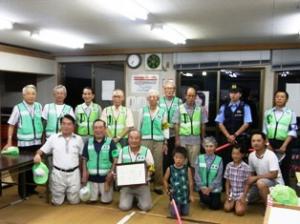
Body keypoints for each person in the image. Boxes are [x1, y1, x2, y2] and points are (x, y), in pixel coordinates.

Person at [33, 115, 84, 205]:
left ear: (73, 126)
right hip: (58, 173)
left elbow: (83, 156)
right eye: (63, 124)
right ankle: (61, 196)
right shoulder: (53, 138)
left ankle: (69, 196)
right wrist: (37, 154)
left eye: (69, 124)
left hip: (74, 174)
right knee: (57, 202)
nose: (66, 126)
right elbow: (41, 150)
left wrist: (84, 173)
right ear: (60, 125)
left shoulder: (78, 139)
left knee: (74, 202)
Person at [3, 84, 43, 197]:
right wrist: (9, 141)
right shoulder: (18, 107)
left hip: (37, 143)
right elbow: (11, 125)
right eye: (28, 94)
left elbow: (41, 122)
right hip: (24, 144)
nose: (31, 96)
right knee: (24, 169)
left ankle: (31, 188)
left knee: (35, 167)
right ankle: (23, 191)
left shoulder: (39, 106)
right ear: (24, 95)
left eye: (33, 94)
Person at [263, 90, 298, 186]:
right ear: (274, 99)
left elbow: (293, 130)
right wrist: (267, 144)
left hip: (285, 144)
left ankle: (285, 192)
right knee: (270, 168)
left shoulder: (291, 113)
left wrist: (284, 146)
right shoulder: (268, 112)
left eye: (282, 97)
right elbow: (264, 129)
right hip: (270, 144)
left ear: (286, 99)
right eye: (277, 96)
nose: (279, 98)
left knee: (284, 169)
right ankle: (270, 192)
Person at [138, 89, 169, 194]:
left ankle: (158, 185)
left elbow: (165, 127)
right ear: (147, 99)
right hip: (145, 140)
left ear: (158, 99)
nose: (152, 99)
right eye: (150, 97)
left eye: (154, 97)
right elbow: (139, 125)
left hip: (159, 141)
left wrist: (165, 142)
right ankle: (144, 182)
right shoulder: (143, 110)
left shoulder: (162, 111)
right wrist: (138, 139)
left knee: (157, 163)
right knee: (145, 162)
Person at [215, 84, 252, 171]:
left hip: (239, 140)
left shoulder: (245, 107)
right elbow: (219, 123)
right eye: (231, 92)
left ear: (240, 94)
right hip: (226, 140)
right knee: (225, 162)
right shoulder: (224, 106)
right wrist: (228, 136)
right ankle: (225, 184)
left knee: (239, 163)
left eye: (236, 93)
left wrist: (235, 135)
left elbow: (247, 123)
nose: (233, 95)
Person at [81, 119, 118, 203]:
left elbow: (115, 159)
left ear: (105, 129)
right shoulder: (88, 142)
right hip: (91, 179)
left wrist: (111, 173)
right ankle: (93, 194)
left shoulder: (110, 142)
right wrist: (84, 173)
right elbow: (84, 158)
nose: (98, 130)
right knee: (90, 200)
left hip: (105, 179)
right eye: (95, 128)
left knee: (106, 201)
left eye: (101, 127)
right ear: (93, 129)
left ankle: (105, 193)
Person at [118, 129, 154, 211]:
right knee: (124, 207)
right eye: (131, 138)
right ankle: (131, 197)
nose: (134, 140)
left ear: (140, 140)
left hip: (142, 186)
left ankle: (137, 198)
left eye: (136, 138)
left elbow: (152, 167)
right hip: (127, 186)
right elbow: (119, 168)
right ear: (128, 139)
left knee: (146, 207)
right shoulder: (123, 151)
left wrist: (146, 176)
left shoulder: (146, 151)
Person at [173, 87, 208, 170]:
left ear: (196, 97)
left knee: (194, 165)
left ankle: (193, 182)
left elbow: (203, 125)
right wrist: (177, 139)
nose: (191, 98)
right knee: (181, 164)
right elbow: (176, 125)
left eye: (193, 96)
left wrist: (203, 139)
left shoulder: (200, 109)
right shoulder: (179, 108)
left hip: (196, 141)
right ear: (185, 96)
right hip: (183, 141)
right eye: (189, 95)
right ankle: (184, 181)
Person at [247, 132, 284, 205]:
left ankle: (269, 207)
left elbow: (274, 174)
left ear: (264, 142)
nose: (256, 143)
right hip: (261, 181)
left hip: (276, 183)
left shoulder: (271, 155)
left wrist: (256, 178)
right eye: (253, 141)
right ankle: (265, 195)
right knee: (247, 198)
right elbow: (251, 175)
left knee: (260, 182)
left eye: (258, 140)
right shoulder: (251, 156)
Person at [163, 146, 194, 217]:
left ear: (185, 159)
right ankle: (172, 205)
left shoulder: (187, 169)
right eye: (176, 157)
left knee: (185, 213)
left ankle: (182, 206)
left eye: (181, 158)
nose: (178, 160)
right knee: (174, 214)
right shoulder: (170, 168)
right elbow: (164, 180)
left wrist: (191, 195)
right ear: (173, 157)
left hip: (185, 196)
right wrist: (167, 189)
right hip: (174, 196)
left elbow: (191, 182)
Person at [159, 80, 182, 173]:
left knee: (174, 157)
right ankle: (164, 179)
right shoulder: (159, 101)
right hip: (162, 134)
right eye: (167, 88)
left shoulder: (178, 101)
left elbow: (180, 119)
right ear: (164, 90)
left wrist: (178, 138)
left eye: (171, 88)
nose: (169, 90)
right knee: (164, 158)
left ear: (174, 90)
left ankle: (172, 178)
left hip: (174, 134)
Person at [195, 137, 223, 210]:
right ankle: (204, 198)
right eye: (207, 146)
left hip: (214, 187)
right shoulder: (199, 158)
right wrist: (202, 187)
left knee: (215, 207)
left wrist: (210, 188)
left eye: (211, 146)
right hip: (202, 187)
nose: (209, 148)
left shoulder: (219, 159)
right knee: (206, 200)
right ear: (204, 147)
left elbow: (219, 176)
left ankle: (211, 198)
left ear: (215, 147)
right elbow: (197, 174)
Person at [224, 145, 250, 216]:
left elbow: (247, 184)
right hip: (232, 192)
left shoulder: (246, 167)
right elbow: (227, 181)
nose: (235, 156)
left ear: (242, 154)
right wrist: (227, 193)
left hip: (241, 193)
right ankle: (234, 203)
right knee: (226, 208)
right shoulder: (229, 165)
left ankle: (238, 203)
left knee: (239, 212)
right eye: (233, 153)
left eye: (237, 154)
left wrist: (244, 195)